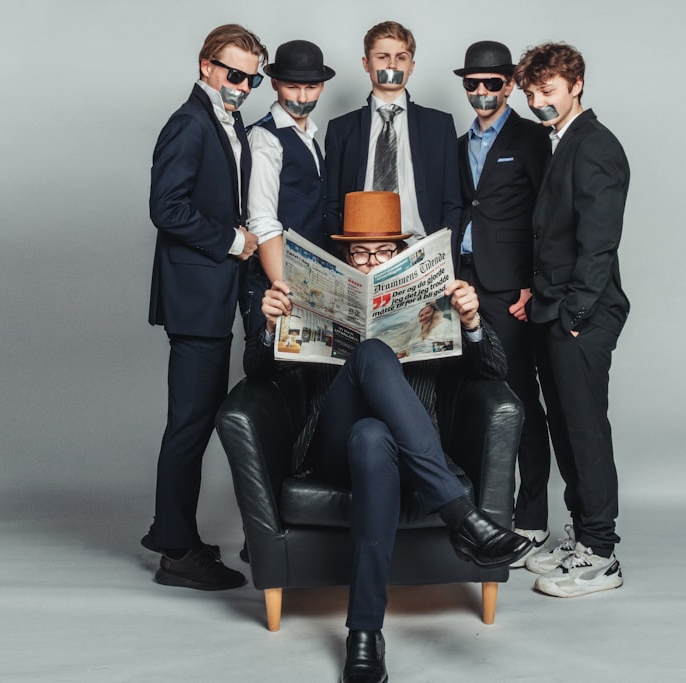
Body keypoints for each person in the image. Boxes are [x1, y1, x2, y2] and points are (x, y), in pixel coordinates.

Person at [245, 191, 531, 683]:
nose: (370, 261)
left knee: (374, 437)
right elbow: (257, 374)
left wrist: (471, 321)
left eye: (382, 253)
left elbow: (496, 371)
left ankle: (363, 635)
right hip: (330, 450)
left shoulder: (431, 297)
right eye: (360, 253)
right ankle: (461, 516)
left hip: (403, 454)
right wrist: (269, 327)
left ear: (401, 254)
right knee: (372, 353)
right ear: (347, 257)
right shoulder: (315, 294)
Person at [142, 24, 268, 591]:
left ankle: (172, 532)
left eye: (252, 77)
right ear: (206, 67)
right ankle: (176, 553)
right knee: (190, 426)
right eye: (233, 73)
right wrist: (232, 241)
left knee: (194, 422)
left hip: (215, 297)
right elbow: (166, 208)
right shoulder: (189, 123)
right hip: (196, 301)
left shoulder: (227, 121)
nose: (242, 85)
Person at [514, 43, 631, 598]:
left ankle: (602, 555)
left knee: (585, 430)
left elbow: (600, 244)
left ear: (577, 84)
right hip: (556, 310)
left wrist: (576, 315)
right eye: (531, 93)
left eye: (549, 92)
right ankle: (582, 536)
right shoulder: (560, 142)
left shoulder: (596, 146)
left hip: (582, 315)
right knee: (563, 425)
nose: (538, 103)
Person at [454, 40, 555, 566]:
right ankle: (480, 514)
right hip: (460, 283)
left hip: (509, 289)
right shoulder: (456, 142)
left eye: (493, 83)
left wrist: (534, 283)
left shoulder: (533, 138)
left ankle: (532, 516)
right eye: (473, 83)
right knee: (469, 393)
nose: (482, 92)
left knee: (518, 398)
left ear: (511, 85)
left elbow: (548, 214)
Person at [324, 21, 460, 247]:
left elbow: (452, 203)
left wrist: (443, 254)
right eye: (383, 56)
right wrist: (343, 255)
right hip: (361, 254)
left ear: (411, 66)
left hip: (422, 250)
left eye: (401, 57)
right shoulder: (341, 129)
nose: (392, 64)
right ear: (366, 64)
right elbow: (331, 204)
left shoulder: (439, 125)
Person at [242, 39, 335, 336]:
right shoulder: (265, 138)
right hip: (278, 283)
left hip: (312, 282)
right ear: (275, 84)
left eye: (310, 88)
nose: (302, 97)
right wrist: (288, 291)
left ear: (321, 86)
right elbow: (263, 222)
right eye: (292, 87)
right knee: (273, 373)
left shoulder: (310, 137)